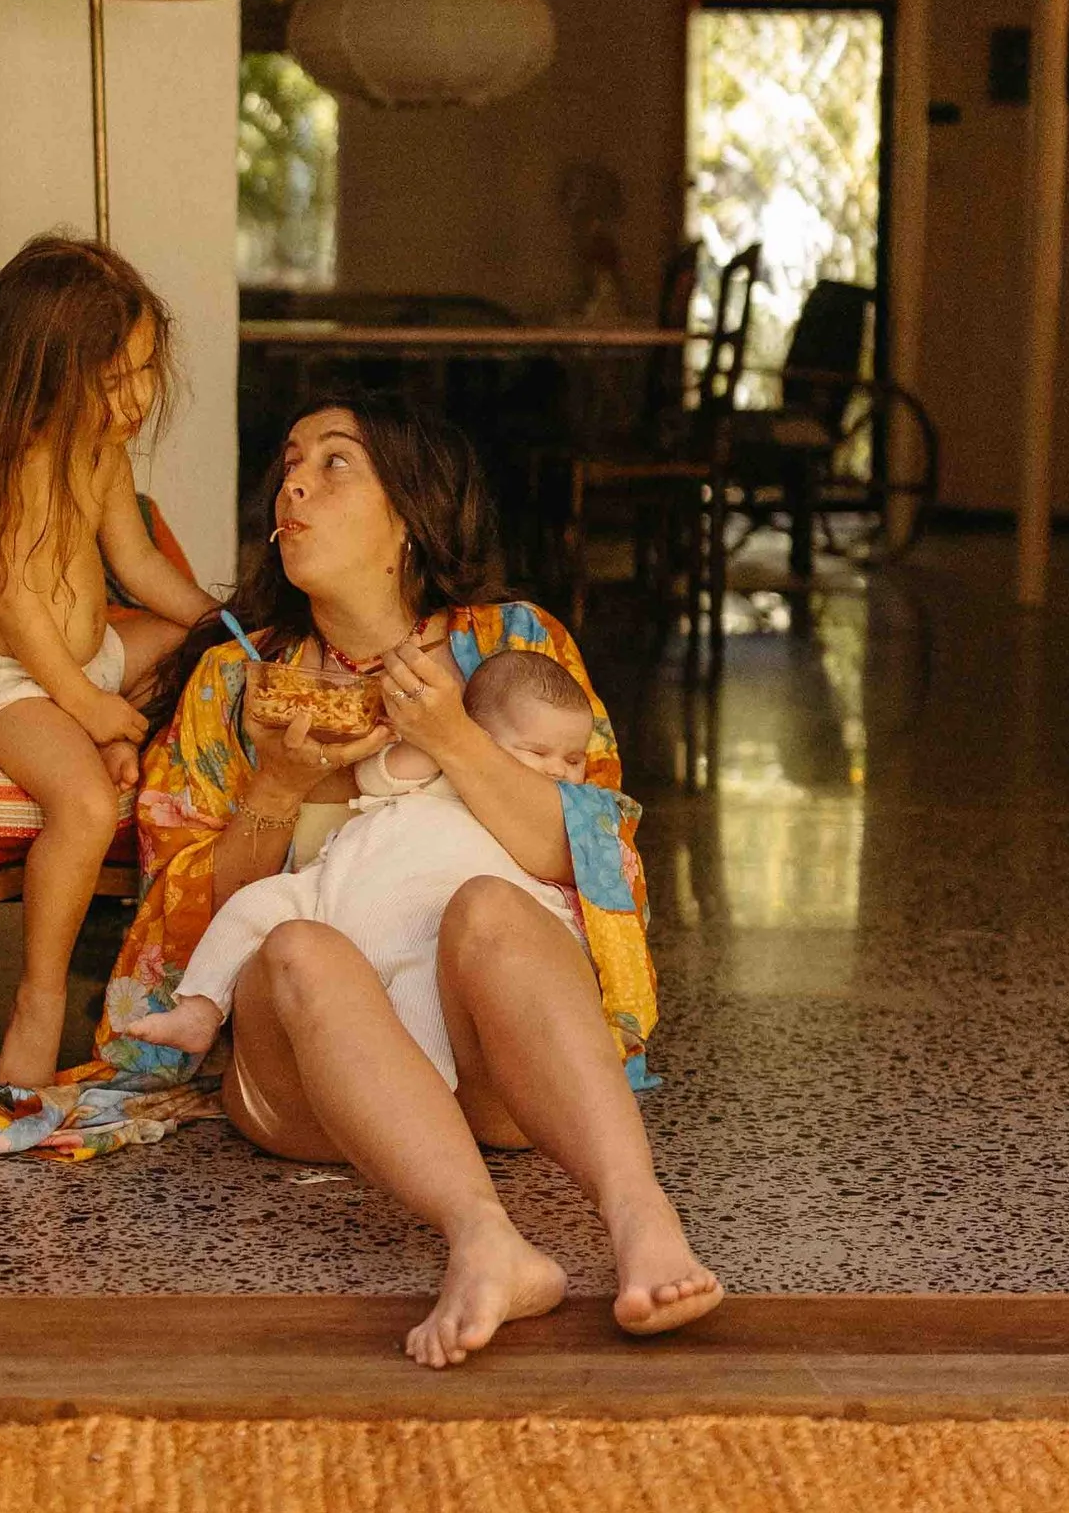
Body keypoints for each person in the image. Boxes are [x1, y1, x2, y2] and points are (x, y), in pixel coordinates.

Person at [101, 396, 723, 1369]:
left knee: (487, 906)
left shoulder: (512, 647)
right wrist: (279, 783)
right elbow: (194, 918)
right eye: (290, 461)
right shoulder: (233, 679)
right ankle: (481, 1236)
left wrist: (450, 739)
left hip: (497, 1073)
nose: (294, 483)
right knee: (301, 944)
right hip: (313, 1085)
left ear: (408, 517)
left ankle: (642, 1220)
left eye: (336, 464)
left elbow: (590, 859)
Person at [0, 236, 221, 1092]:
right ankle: (40, 999)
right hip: (3, 677)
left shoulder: (102, 450)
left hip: (88, 660)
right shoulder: (4, 471)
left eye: (146, 370)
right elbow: (17, 615)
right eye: (114, 378)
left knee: (195, 655)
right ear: (41, 370)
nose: (138, 396)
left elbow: (140, 566)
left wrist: (227, 623)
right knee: (85, 805)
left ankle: (124, 738)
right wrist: (85, 708)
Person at [123, 646, 590, 1075]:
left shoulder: (536, 807)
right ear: (477, 732)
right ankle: (200, 1008)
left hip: (425, 930)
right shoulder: (442, 765)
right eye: (538, 752)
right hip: (338, 886)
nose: (559, 770)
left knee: (419, 1020)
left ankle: (419, 1102)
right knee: (253, 906)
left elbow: (569, 868)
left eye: (575, 759)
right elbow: (376, 776)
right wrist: (429, 740)